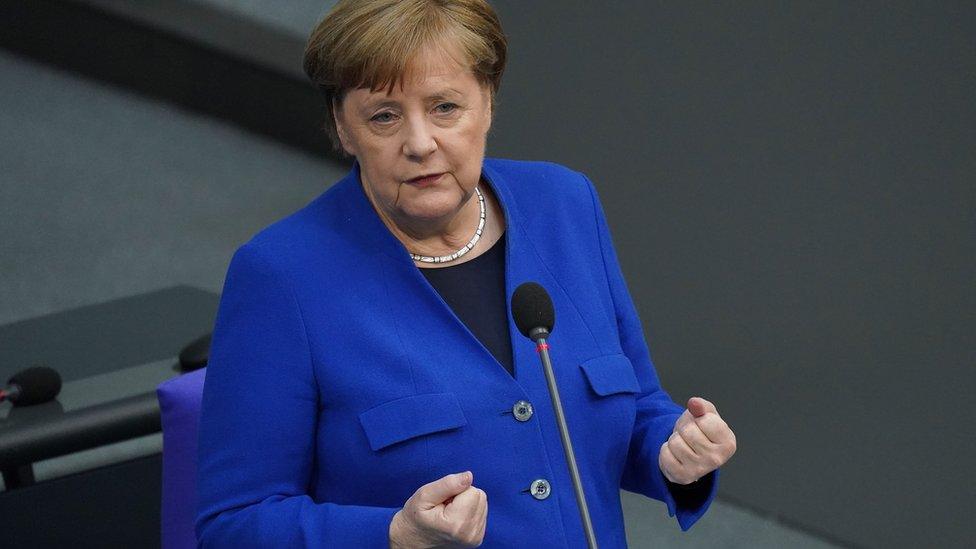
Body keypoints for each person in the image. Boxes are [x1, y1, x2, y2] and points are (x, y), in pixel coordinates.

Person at [195, 1, 737, 547]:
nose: (420, 142)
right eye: (383, 116)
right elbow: (235, 523)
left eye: (445, 107)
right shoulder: (283, 276)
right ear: (343, 126)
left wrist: (676, 452)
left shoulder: (564, 204)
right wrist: (393, 534)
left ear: (488, 104)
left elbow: (636, 408)